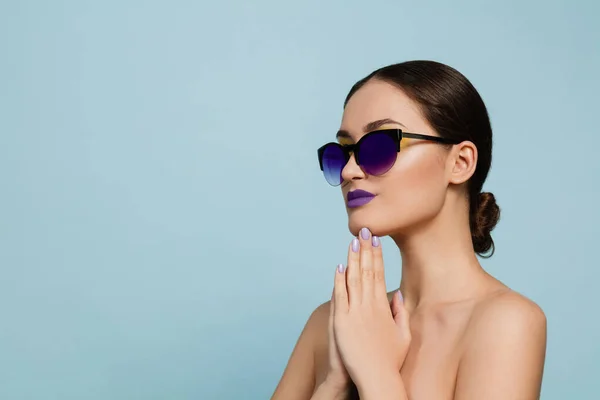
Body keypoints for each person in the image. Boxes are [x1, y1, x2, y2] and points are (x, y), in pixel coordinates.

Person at [271, 60, 547, 400]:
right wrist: (333, 384)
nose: (349, 170)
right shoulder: (330, 323)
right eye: (343, 152)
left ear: (460, 163)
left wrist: (375, 372)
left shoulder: (506, 323)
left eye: (379, 147)